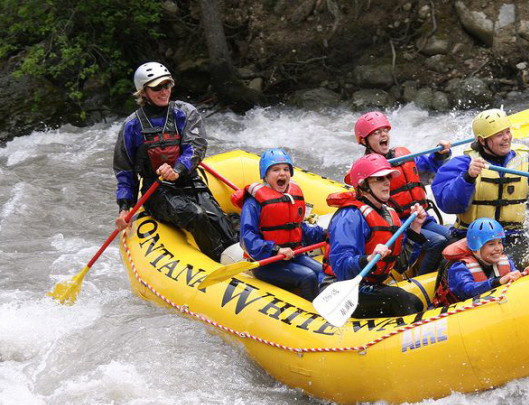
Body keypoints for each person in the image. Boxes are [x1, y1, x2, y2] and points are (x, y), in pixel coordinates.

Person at [113, 61, 238, 261]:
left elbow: (196, 146)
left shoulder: (185, 112)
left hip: (190, 181)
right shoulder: (132, 126)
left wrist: (178, 169)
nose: (164, 91)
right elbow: (124, 171)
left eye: (167, 85)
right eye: (157, 88)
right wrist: (124, 208)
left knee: (219, 222)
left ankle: (238, 252)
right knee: (195, 214)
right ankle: (218, 262)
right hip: (157, 191)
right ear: (143, 92)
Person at [431, 108, 529, 267]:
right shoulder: (462, 164)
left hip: (512, 238)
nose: (507, 138)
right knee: (454, 269)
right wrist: (467, 178)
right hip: (471, 238)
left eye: (507, 132)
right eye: (499, 135)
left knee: (509, 266)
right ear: (482, 141)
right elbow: (448, 204)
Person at [322, 153, 428, 318]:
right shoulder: (349, 217)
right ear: (363, 185)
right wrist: (367, 259)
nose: (387, 182)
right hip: (341, 289)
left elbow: (400, 265)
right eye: (379, 179)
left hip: (368, 286)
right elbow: (341, 267)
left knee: (415, 302)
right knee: (399, 299)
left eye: (387, 177)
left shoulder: (388, 214)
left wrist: (415, 228)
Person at [351, 111, 452, 275]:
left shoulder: (402, 155)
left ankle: (443, 275)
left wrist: (440, 154)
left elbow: (426, 166)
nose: (383, 134)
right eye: (377, 132)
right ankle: (423, 280)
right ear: (365, 141)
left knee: (450, 237)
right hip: (397, 224)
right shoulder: (366, 168)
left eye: (385, 130)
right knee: (437, 242)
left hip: (420, 217)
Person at [232, 148, 326, 301]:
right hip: (266, 263)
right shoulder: (253, 203)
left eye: (286, 169)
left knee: (323, 272)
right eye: (276, 170)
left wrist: (325, 234)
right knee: (308, 277)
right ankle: (315, 315)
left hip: (294, 255)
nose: (282, 173)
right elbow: (247, 239)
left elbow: (300, 229)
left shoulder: (292, 197)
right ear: (265, 175)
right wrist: (276, 250)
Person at [434, 218, 529, 305]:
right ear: (476, 248)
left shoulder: (506, 262)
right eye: (491, 244)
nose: (498, 248)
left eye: (499, 242)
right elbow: (467, 291)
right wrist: (497, 281)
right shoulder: (459, 267)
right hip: (455, 315)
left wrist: (526, 275)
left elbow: (514, 281)